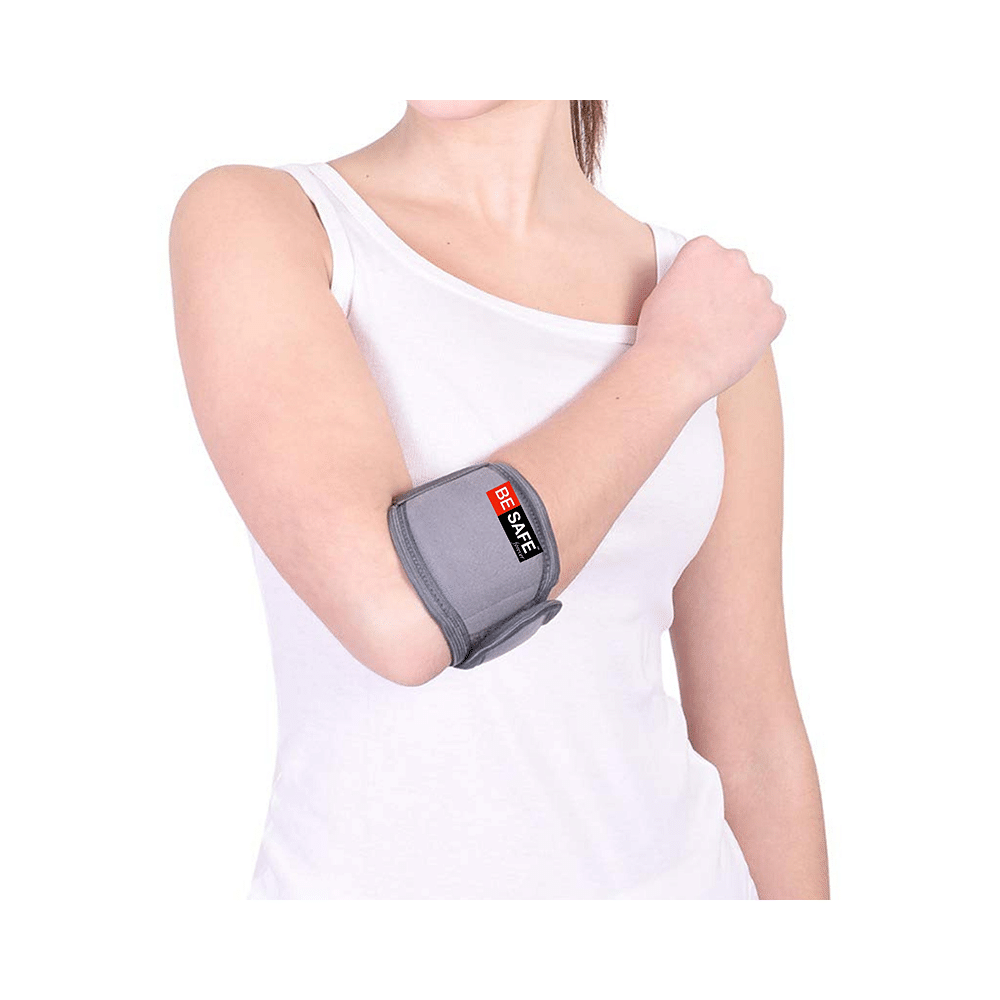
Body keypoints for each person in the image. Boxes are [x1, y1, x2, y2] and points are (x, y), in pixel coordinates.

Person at [168, 100, 829, 899]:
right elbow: (405, 614)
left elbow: (755, 739)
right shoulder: (273, 221)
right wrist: (672, 366)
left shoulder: (704, 298)